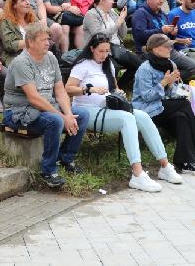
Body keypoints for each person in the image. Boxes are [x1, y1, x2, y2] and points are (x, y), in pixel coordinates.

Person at [66, 33, 184, 191]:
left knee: (142, 116)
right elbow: (68, 89)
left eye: (107, 51)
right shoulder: (82, 65)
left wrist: (119, 93)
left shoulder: (108, 65)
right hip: (87, 110)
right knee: (127, 119)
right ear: (92, 49)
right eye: (101, 51)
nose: (104, 54)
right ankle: (137, 174)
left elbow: (115, 87)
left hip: (108, 107)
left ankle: (164, 165)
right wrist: (89, 89)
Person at [2, 22, 89, 187]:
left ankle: (65, 158)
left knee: (82, 115)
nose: (47, 43)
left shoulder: (51, 58)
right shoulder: (22, 62)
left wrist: (68, 114)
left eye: (48, 39)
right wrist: (63, 117)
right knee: (55, 120)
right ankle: (48, 171)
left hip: (44, 108)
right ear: (30, 42)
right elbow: (34, 98)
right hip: (19, 112)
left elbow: (60, 91)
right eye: (43, 40)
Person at [134, 34, 195, 176]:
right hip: (146, 110)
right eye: (166, 46)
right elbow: (146, 97)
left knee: (181, 118)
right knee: (184, 104)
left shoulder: (170, 64)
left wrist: (171, 84)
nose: (170, 49)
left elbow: (171, 94)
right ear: (155, 49)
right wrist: (164, 83)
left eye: (171, 46)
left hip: (163, 107)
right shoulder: (145, 69)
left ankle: (185, 162)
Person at [131, 0, 195, 80]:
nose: (161, 1)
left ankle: (169, 82)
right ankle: (164, 83)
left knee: (194, 67)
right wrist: (161, 30)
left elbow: (169, 37)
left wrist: (172, 32)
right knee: (171, 68)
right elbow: (139, 36)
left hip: (169, 50)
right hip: (151, 52)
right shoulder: (140, 14)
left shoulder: (162, 14)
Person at [82, 0, 142, 87]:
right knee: (114, 67)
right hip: (99, 50)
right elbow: (99, 37)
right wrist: (118, 23)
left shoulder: (112, 13)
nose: (113, 1)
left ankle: (121, 86)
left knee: (139, 64)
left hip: (117, 48)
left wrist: (122, 20)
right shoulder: (91, 15)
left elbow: (122, 35)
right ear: (101, 0)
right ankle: (111, 89)